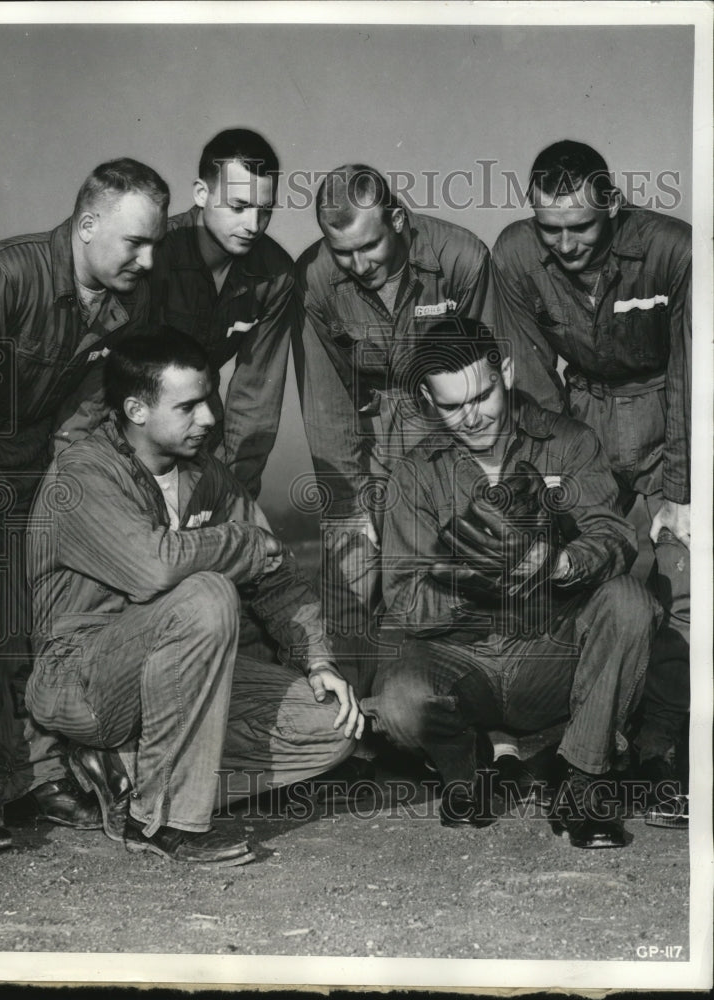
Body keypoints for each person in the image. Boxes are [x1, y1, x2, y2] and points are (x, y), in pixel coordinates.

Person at [24, 328, 362, 863]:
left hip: (174, 673)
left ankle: (130, 775)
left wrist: (317, 660)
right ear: (136, 409)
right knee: (208, 594)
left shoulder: (209, 476)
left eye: (209, 399)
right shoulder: (83, 473)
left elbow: (275, 576)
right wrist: (241, 541)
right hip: (80, 679)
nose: (207, 417)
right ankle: (162, 822)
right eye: (188, 406)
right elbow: (153, 568)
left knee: (329, 728)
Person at [361, 319, 661, 849]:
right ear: (429, 400)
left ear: (506, 371)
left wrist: (560, 564)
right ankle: (469, 770)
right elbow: (406, 603)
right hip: (466, 658)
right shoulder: (414, 474)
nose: (472, 416)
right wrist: (476, 579)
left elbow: (614, 537)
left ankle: (584, 783)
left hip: (550, 651)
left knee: (631, 603)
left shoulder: (568, 443)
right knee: (398, 701)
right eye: (452, 406)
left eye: (483, 395)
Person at [0, 158, 169, 855]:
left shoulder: (121, 302)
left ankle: (28, 781)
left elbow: (80, 420)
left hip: (23, 483)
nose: (146, 259)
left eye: (156, 245)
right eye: (134, 242)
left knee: (35, 619)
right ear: (86, 225)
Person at [490, 141, 691, 821]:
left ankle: (661, 753)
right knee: (597, 576)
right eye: (551, 228)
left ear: (612, 202)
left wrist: (679, 488)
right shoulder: (516, 255)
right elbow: (533, 380)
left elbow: (698, 370)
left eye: (581, 225)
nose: (567, 243)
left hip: (668, 414)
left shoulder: (673, 250)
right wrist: (549, 484)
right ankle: (582, 743)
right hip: (582, 425)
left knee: (675, 577)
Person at [293, 164, 493, 696]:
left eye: (370, 246)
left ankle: (445, 712)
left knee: (443, 574)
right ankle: (347, 726)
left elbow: (483, 379)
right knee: (351, 565)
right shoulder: (313, 279)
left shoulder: (461, 258)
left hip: (446, 429)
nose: (358, 265)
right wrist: (348, 503)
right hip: (368, 434)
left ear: (399, 219)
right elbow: (326, 399)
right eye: (342, 252)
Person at [150, 128, 293, 500]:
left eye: (265, 211)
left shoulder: (276, 274)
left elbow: (256, 396)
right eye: (239, 206)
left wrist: (237, 490)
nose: (253, 225)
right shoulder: (155, 253)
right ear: (201, 193)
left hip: (203, 419)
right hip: (132, 416)